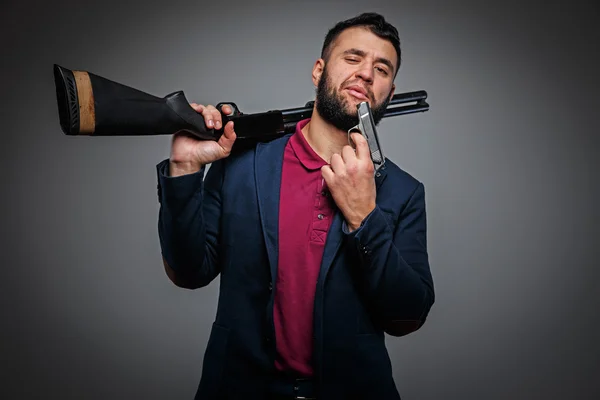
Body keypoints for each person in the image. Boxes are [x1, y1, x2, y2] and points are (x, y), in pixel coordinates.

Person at [155, 12, 435, 400]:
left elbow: (407, 317)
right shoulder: (242, 165)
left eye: (381, 68)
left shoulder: (403, 192)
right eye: (353, 58)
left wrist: (364, 216)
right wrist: (184, 170)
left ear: (389, 90)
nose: (367, 73)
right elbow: (188, 272)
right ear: (319, 71)